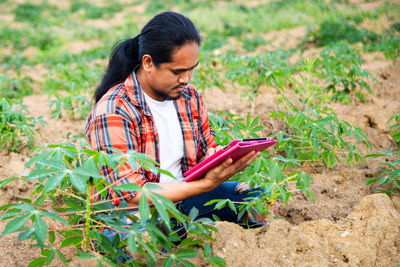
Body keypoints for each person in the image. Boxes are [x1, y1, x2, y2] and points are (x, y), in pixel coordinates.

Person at [85, 12, 266, 244]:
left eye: (192, 69)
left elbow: (203, 152)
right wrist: (204, 185)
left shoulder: (189, 98)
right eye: (178, 71)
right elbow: (131, 195)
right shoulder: (114, 110)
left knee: (260, 201)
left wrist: (218, 159)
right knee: (142, 245)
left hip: (184, 202)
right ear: (148, 62)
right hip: (131, 217)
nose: (186, 79)